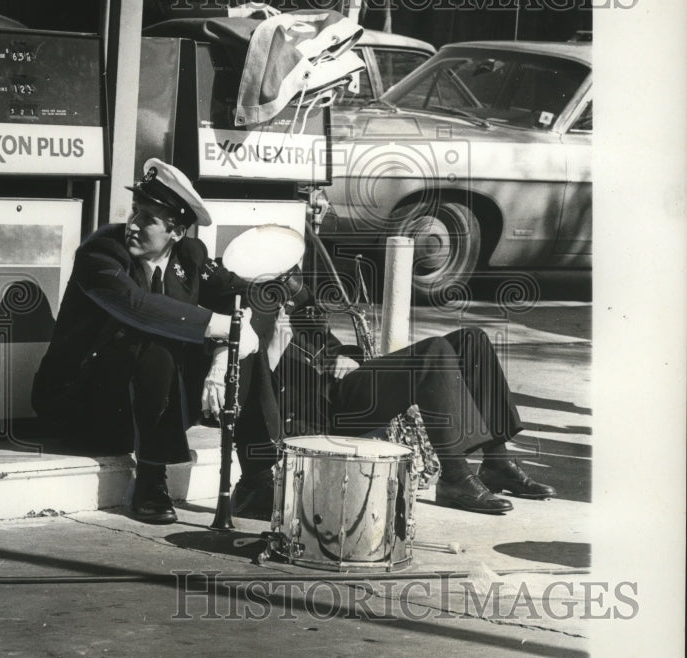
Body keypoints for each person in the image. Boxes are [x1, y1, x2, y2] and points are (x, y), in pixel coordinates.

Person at [224, 262, 556, 520]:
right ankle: (455, 476)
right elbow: (255, 393)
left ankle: (496, 461)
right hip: (317, 415)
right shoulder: (247, 313)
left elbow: (328, 344)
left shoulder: (294, 301)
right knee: (435, 351)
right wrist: (273, 352)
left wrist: (343, 357)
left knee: (472, 340)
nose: (286, 280)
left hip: (340, 389)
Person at [31, 158, 259, 524]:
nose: (132, 225)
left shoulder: (191, 255)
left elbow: (245, 297)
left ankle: (260, 477)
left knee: (249, 348)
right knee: (158, 338)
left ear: (177, 232)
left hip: (151, 405)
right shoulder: (101, 251)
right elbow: (139, 307)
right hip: (83, 407)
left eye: (148, 218)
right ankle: (151, 481)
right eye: (135, 211)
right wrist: (224, 327)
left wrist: (224, 351)